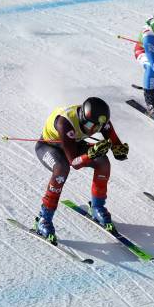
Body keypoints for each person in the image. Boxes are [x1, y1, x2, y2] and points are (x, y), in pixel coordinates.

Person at [34, 97, 129, 244]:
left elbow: (116, 144)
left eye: (98, 127)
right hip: (49, 147)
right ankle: (43, 218)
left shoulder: (99, 121)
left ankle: (97, 207)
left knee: (103, 162)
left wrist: (119, 151)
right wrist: (91, 153)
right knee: (61, 169)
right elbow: (74, 163)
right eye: (91, 125)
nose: (93, 129)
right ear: (83, 118)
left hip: (74, 144)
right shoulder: (64, 123)